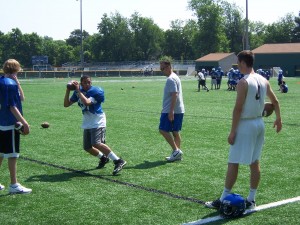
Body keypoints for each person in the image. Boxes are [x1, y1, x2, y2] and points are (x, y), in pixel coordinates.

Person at [205, 50, 282, 210]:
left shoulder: (243, 82)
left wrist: (232, 131)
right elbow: (275, 101)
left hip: (246, 125)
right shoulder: (263, 79)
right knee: (254, 162)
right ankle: (251, 200)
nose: (237, 66)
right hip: (259, 124)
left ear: (242, 62)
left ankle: (223, 197)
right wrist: (278, 119)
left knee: (233, 162)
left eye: (238, 63)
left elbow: (238, 109)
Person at [64, 75, 126, 175]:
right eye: (84, 82)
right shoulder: (77, 92)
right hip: (88, 121)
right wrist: (68, 90)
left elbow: (87, 102)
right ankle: (103, 158)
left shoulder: (97, 91)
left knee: (96, 143)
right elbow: (66, 104)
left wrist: (78, 91)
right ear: (81, 83)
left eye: (89, 82)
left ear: (91, 82)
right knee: (87, 147)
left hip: (98, 120)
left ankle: (118, 161)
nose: (87, 84)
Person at [0, 59, 32, 194]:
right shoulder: (9, 84)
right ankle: (13, 184)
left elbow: (21, 98)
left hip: (1, 122)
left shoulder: (2, 80)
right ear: (16, 69)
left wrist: (17, 83)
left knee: (1, 153)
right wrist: (24, 123)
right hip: (9, 123)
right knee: (12, 155)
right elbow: (12, 106)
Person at [159, 59, 185, 162]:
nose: (162, 70)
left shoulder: (170, 79)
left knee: (163, 130)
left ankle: (176, 151)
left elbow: (175, 94)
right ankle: (176, 154)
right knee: (175, 132)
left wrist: (171, 111)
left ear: (169, 67)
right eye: (161, 69)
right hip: (179, 109)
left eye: (163, 68)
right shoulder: (175, 77)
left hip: (171, 110)